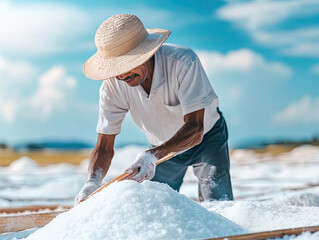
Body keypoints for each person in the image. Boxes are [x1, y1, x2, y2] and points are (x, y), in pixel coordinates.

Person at [74, 14, 233, 205]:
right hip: (160, 147)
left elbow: (195, 129)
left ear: (147, 53)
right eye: (116, 68)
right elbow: (104, 146)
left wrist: (152, 155)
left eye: (128, 64)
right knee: (156, 208)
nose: (123, 75)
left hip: (207, 137)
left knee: (219, 204)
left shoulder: (183, 62)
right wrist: (92, 181)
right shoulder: (112, 85)